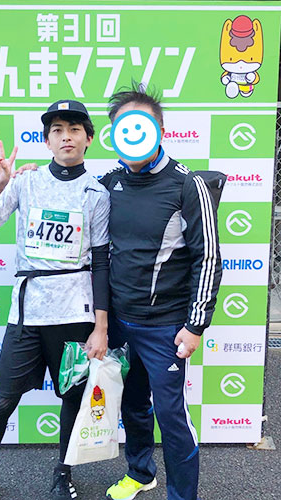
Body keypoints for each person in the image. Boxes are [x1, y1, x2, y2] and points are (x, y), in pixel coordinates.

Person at [0, 100, 110, 500]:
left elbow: (101, 262)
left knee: (74, 398)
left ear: (88, 139)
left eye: (75, 129)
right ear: (47, 141)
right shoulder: (25, 182)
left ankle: (63, 474)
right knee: (2, 399)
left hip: (74, 315)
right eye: (57, 130)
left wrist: (100, 326)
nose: (66, 136)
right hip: (27, 314)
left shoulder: (98, 194)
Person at [100, 84, 222, 500]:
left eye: (141, 126)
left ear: (161, 131)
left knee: (171, 417)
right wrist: (29, 179)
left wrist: (196, 325)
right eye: (123, 128)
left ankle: (182, 495)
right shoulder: (109, 182)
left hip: (166, 328)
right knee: (133, 405)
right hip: (120, 323)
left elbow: (208, 258)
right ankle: (140, 473)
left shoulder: (188, 185)